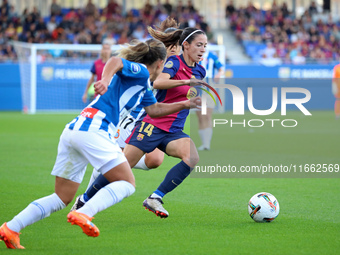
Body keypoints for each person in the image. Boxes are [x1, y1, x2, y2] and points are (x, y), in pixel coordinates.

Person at [0, 38, 201, 249]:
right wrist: (104, 80)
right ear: (160, 62)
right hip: (95, 129)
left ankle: (11, 228)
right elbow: (116, 61)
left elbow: (155, 110)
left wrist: (185, 104)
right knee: (127, 183)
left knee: (61, 197)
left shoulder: (144, 86)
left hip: (74, 129)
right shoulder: (141, 71)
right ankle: (84, 213)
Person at [71, 27, 208, 219]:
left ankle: (155, 197)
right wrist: (186, 82)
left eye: (205, 46)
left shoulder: (200, 70)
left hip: (174, 129)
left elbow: (189, 91)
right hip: (152, 124)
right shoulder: (174, 63)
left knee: (192, 157)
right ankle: (84, 199)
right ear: (185, 45)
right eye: (199, 45)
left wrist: (194, 98)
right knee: (121, 166)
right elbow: (159, 83)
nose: (202, 49)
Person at [196, 49, 223, 150]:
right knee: (200, 117)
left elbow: (221, 68)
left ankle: (207, 144)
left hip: (209, 89)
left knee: (207, 115)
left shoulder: (212, 55)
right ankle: (204, 143)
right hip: (197, 89)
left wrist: (219, 74)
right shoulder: (193, 54)